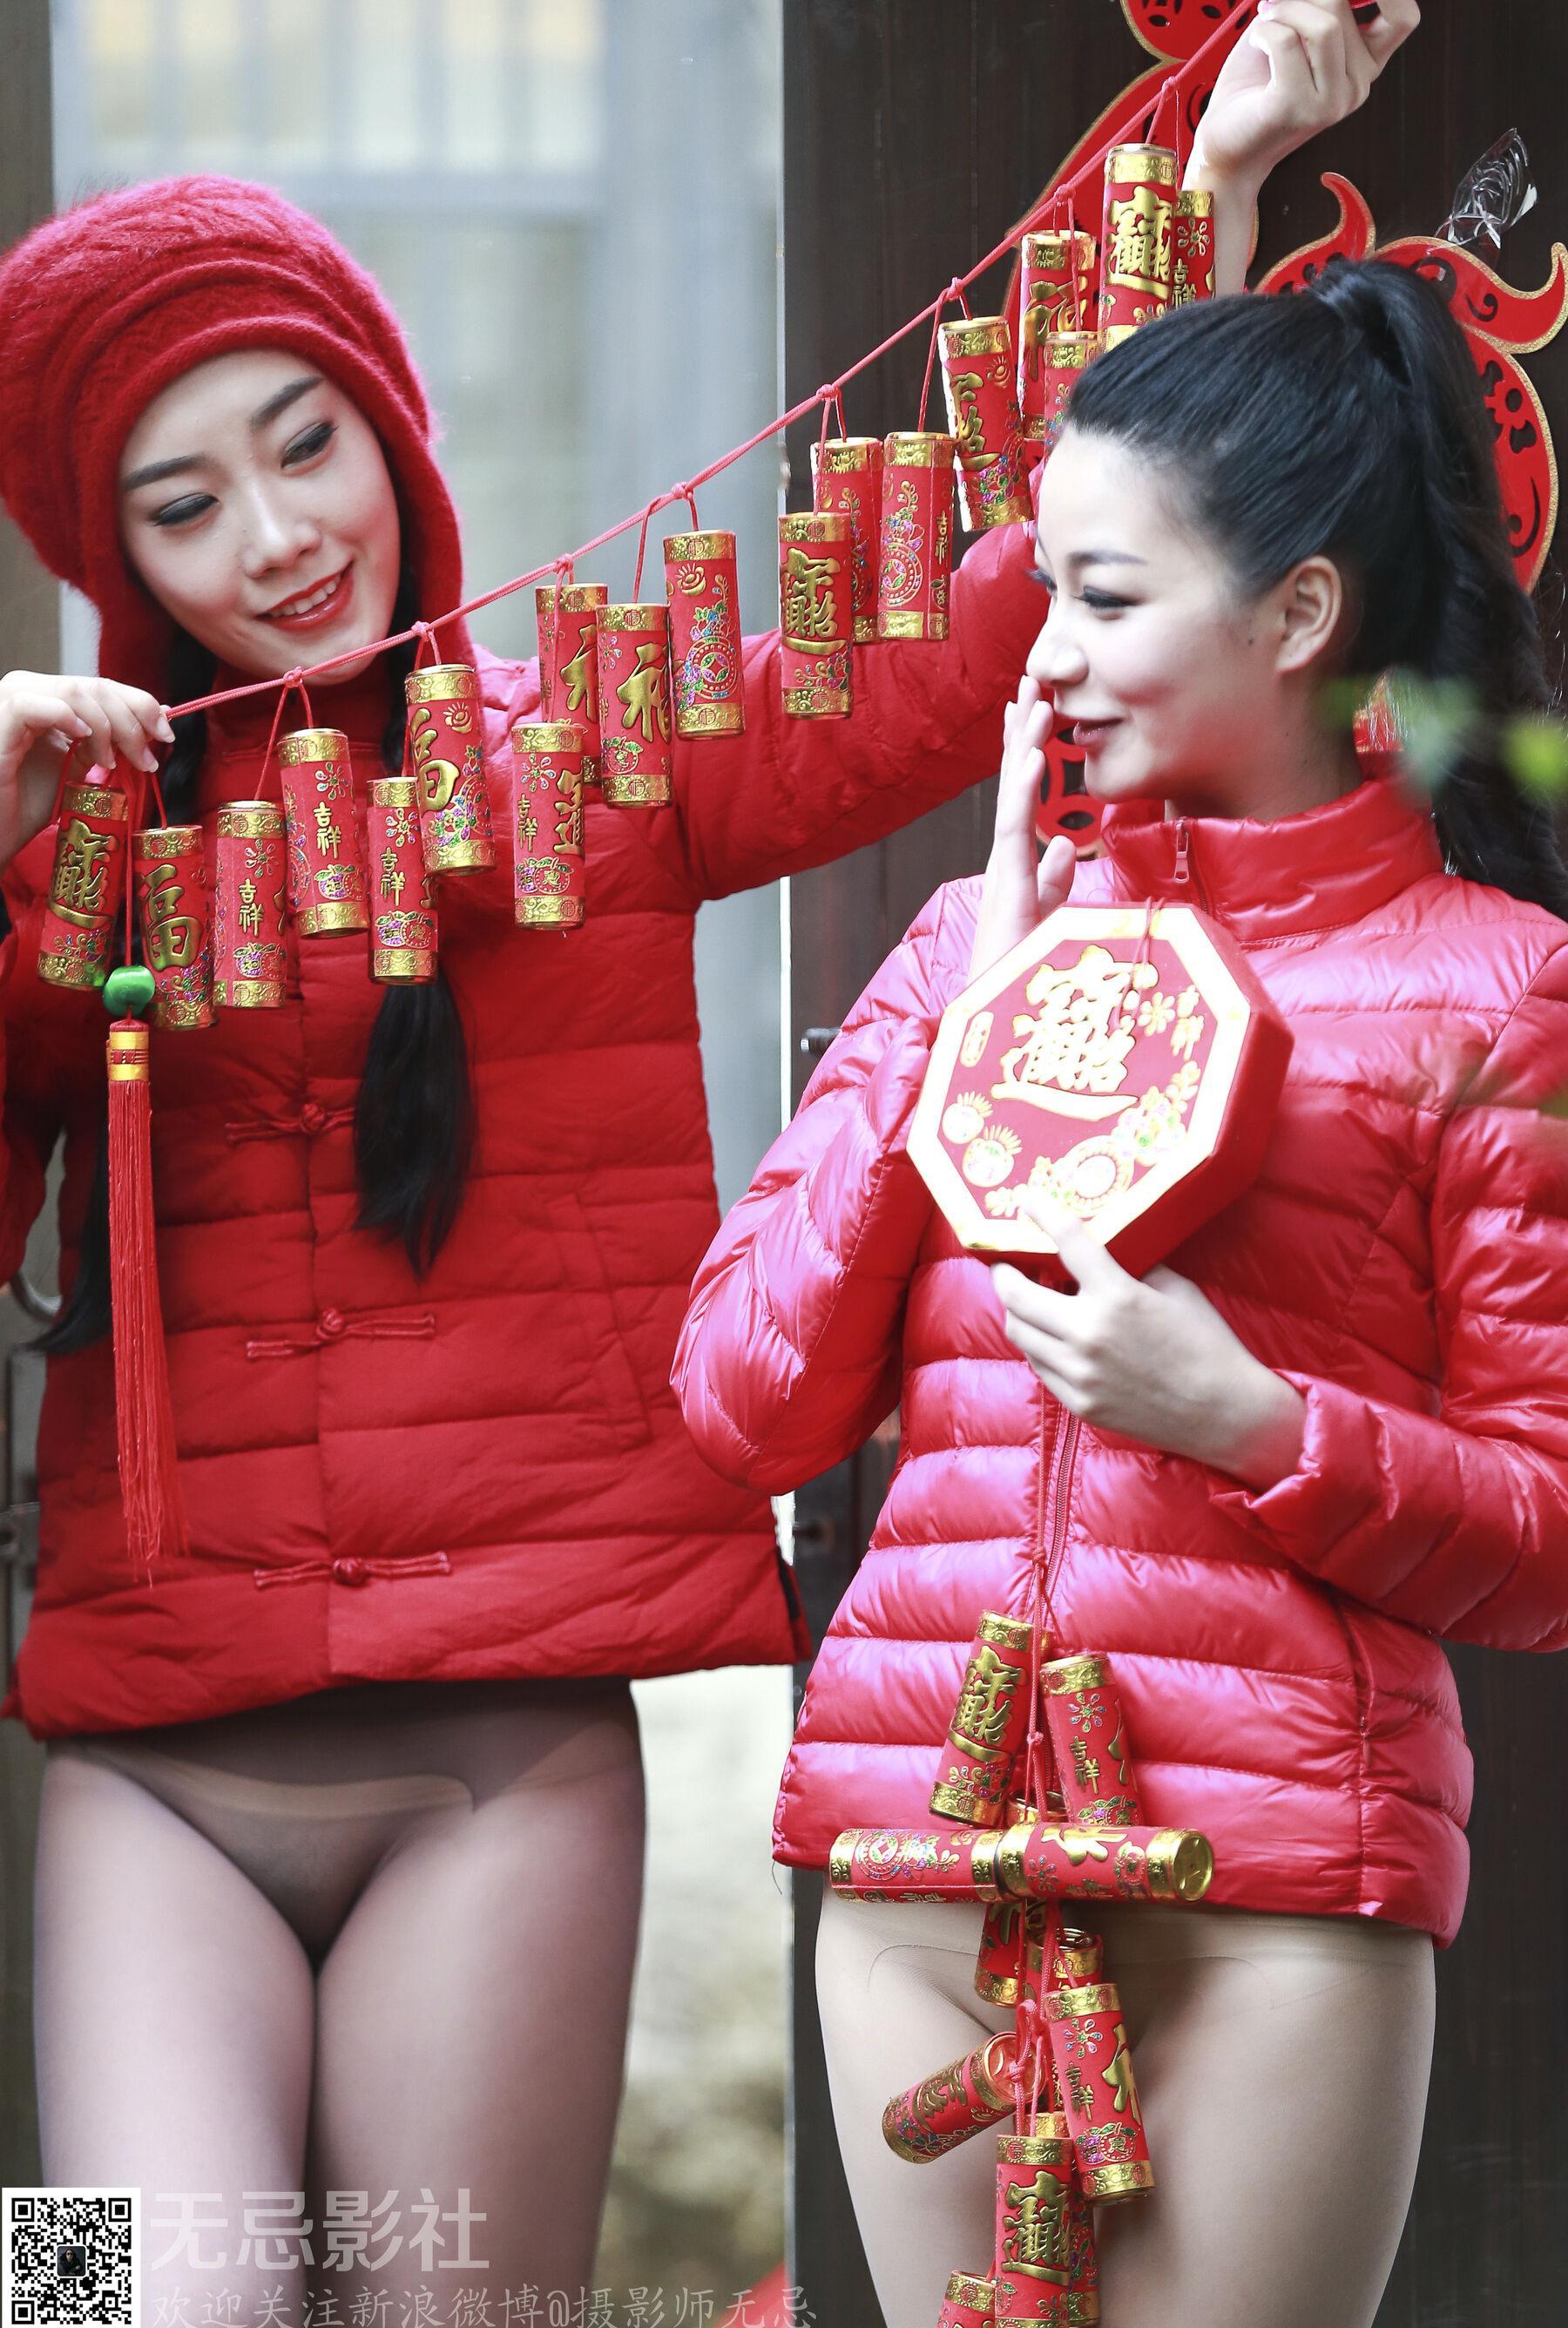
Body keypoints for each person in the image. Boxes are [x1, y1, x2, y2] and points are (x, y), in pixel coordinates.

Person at [0, 5, 1401, 2309]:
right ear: (112, 555)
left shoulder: (592, 752)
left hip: (505, 1762)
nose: (277, 537)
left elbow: (963, 653)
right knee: (115, 2296)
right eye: (184, 504)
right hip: (143, 1773)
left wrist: (1213, 185)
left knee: (465, 2304)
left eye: (306, 445)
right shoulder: (69, 855)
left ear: (390, 430)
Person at [672, 69, 1568, 2328]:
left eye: (1099, 592)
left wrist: (1252, 1423)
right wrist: (970, 1000)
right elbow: (741, 1403)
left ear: (1297, 614)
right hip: (919, 1836)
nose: (1041, 651)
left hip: (1276, 1875)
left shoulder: (1498, 989)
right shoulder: (970, 946)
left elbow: (1552, 1526)